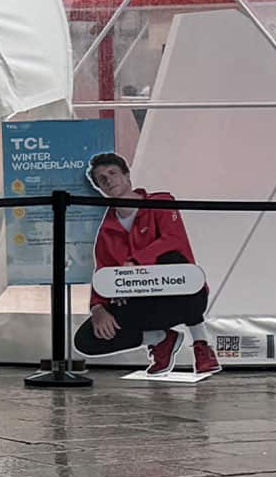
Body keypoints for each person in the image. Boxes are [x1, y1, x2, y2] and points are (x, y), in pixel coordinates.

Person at [74, 152, 217, 377]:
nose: (108, 180)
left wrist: (136, 263)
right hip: (142, 304)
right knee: (86, 339)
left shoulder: (161, 202)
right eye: (102, 179)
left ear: (127, 176)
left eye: (112, 173)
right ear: (99, 188)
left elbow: (174, 240)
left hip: (183, 298)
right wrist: (98, 308)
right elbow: (103, 273)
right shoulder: (106, 232)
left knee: (174, 261)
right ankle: (161, 339)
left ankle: (202, 346)